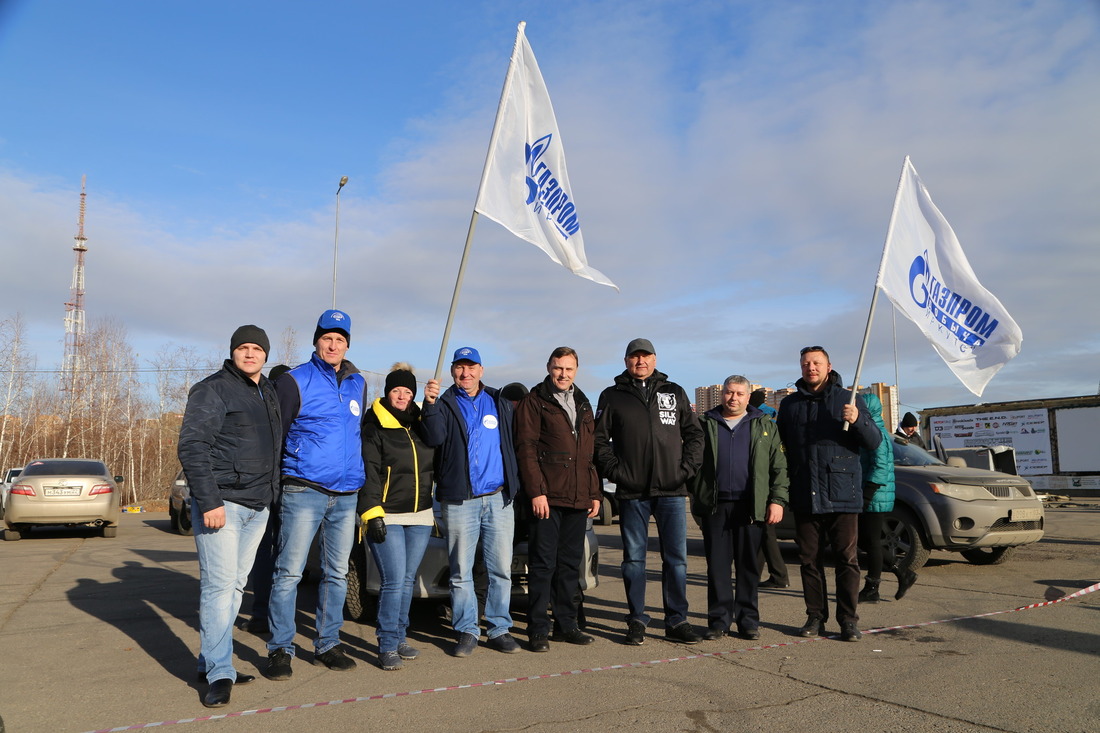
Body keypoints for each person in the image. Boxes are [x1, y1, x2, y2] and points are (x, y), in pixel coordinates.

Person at [178, 325, 281, 708]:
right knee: (219, 587)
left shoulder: (266, 390)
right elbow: (192, 446)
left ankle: (211, 661)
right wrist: (210, 502)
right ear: (233, 352)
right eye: (243, 347)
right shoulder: (213, 388)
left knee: (236, 585)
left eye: (257, 348)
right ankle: (221, 673)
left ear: (265, 355)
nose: (250, 354)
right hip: (224, 505)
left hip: (258, 506)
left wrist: (272, 498)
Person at [264, 310, 366, 680]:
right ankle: (279, 648)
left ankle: (327, 643)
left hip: (346, 493)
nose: (333, 345)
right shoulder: (294, 381)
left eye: (340, 339)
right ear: (316, 341)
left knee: (336, 573)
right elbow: (276, 437)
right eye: (327, 338)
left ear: (347, 345)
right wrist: (276, 488)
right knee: (288, 572)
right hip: (303, 490)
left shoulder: (357, 384)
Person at [593, 338, 704, 646]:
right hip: (632, 493)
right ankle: (637, 617)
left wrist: (685, 471)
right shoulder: (612, 396)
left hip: (670, 490)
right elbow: (599, 442)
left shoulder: (674, 392)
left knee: (676, 559)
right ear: (626, 360)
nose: (640, 361)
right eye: (634, 357)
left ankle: (677, 619)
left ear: (655, 359)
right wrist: (617, 473)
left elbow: (694, 434)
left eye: (645, 356)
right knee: (634, 560)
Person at [776, 346, 882, 642]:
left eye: (817, 363)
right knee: (809, 561)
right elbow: (780, 447)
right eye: (806, 363)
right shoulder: (791, 405)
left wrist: (858, 418)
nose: (811, 367)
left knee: (847, 560)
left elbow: (874, 442)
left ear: (828, 366)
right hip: (805, 492)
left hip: (843, 493)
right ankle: (815, 617)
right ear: (801, 367)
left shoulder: (849, 399)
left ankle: (848, 620)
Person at [421, 346, 522, 657]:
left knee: (501, 568)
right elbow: (433, 438)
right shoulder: (444, 402)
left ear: (481, 370)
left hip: (498, 499)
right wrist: (429, 404)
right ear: (453, 370)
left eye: (471, 367)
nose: (465, 373)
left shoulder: (499, 400)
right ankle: (466, 630)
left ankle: (499, 628)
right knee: (461, 570)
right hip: (460, 500)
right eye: (459, 368)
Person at [515, 347, 601, 652]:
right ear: (549, 367)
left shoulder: (583, 402)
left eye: (568, 369)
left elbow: (589, 454)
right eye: (557, 368)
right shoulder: (534, 401)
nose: (563, 374)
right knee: (542, 565)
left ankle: (567, 624)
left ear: (576, 370)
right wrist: (537, 492)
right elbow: (526, 449)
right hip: (548, 498)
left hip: (578, 498)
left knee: (569, 565)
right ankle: (538, 628)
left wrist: (595, 492)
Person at [690, 376, 788, 641]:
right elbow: (692, 464)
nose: (733, 398)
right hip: (715, 506)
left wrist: (777, 501)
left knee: (748, 567)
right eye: (729, 393)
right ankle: (719, 620)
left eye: (739, 394)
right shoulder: (705, 422)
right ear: (723, 394)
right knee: (718, 567)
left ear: (748, 396)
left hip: (750, 506)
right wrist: (696, 496)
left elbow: (778, 467)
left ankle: (748, 621)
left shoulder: (764, 425)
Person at [358, 364, 441, 670]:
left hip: (420, 513)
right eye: (397, 390)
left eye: (408, 391)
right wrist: (372, 513)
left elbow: (438, 439)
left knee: (407, 580)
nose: (402, 396)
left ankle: (401, 635)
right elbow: (368, 472)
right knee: (393, 581)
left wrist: (430, 406)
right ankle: (387, 643)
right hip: (387, 514)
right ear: (387, 392)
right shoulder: (374, 425)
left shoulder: (420, 423)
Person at [239, 363, 291, 635]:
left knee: (264, 551)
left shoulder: (266, 407)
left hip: (268, 487)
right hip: (289, 487)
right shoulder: (291, 408)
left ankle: (260, 615)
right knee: (285, 555)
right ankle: (273, 616)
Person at [858, 394, 918, 602]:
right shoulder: (868, 430)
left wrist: (866, 496)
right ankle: (903, 572)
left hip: (875, 495)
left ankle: (872, 588)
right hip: (872, 493)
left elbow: (880, 466)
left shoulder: (876, 433)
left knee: (872, 541)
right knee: (866, 541)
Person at [751, 390, 788, 589]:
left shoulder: (761, 421)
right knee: (764, 532)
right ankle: (759, 574)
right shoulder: (772, 418)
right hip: (768, 483)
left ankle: (779, 575)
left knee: (765, 531)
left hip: (764, 485)